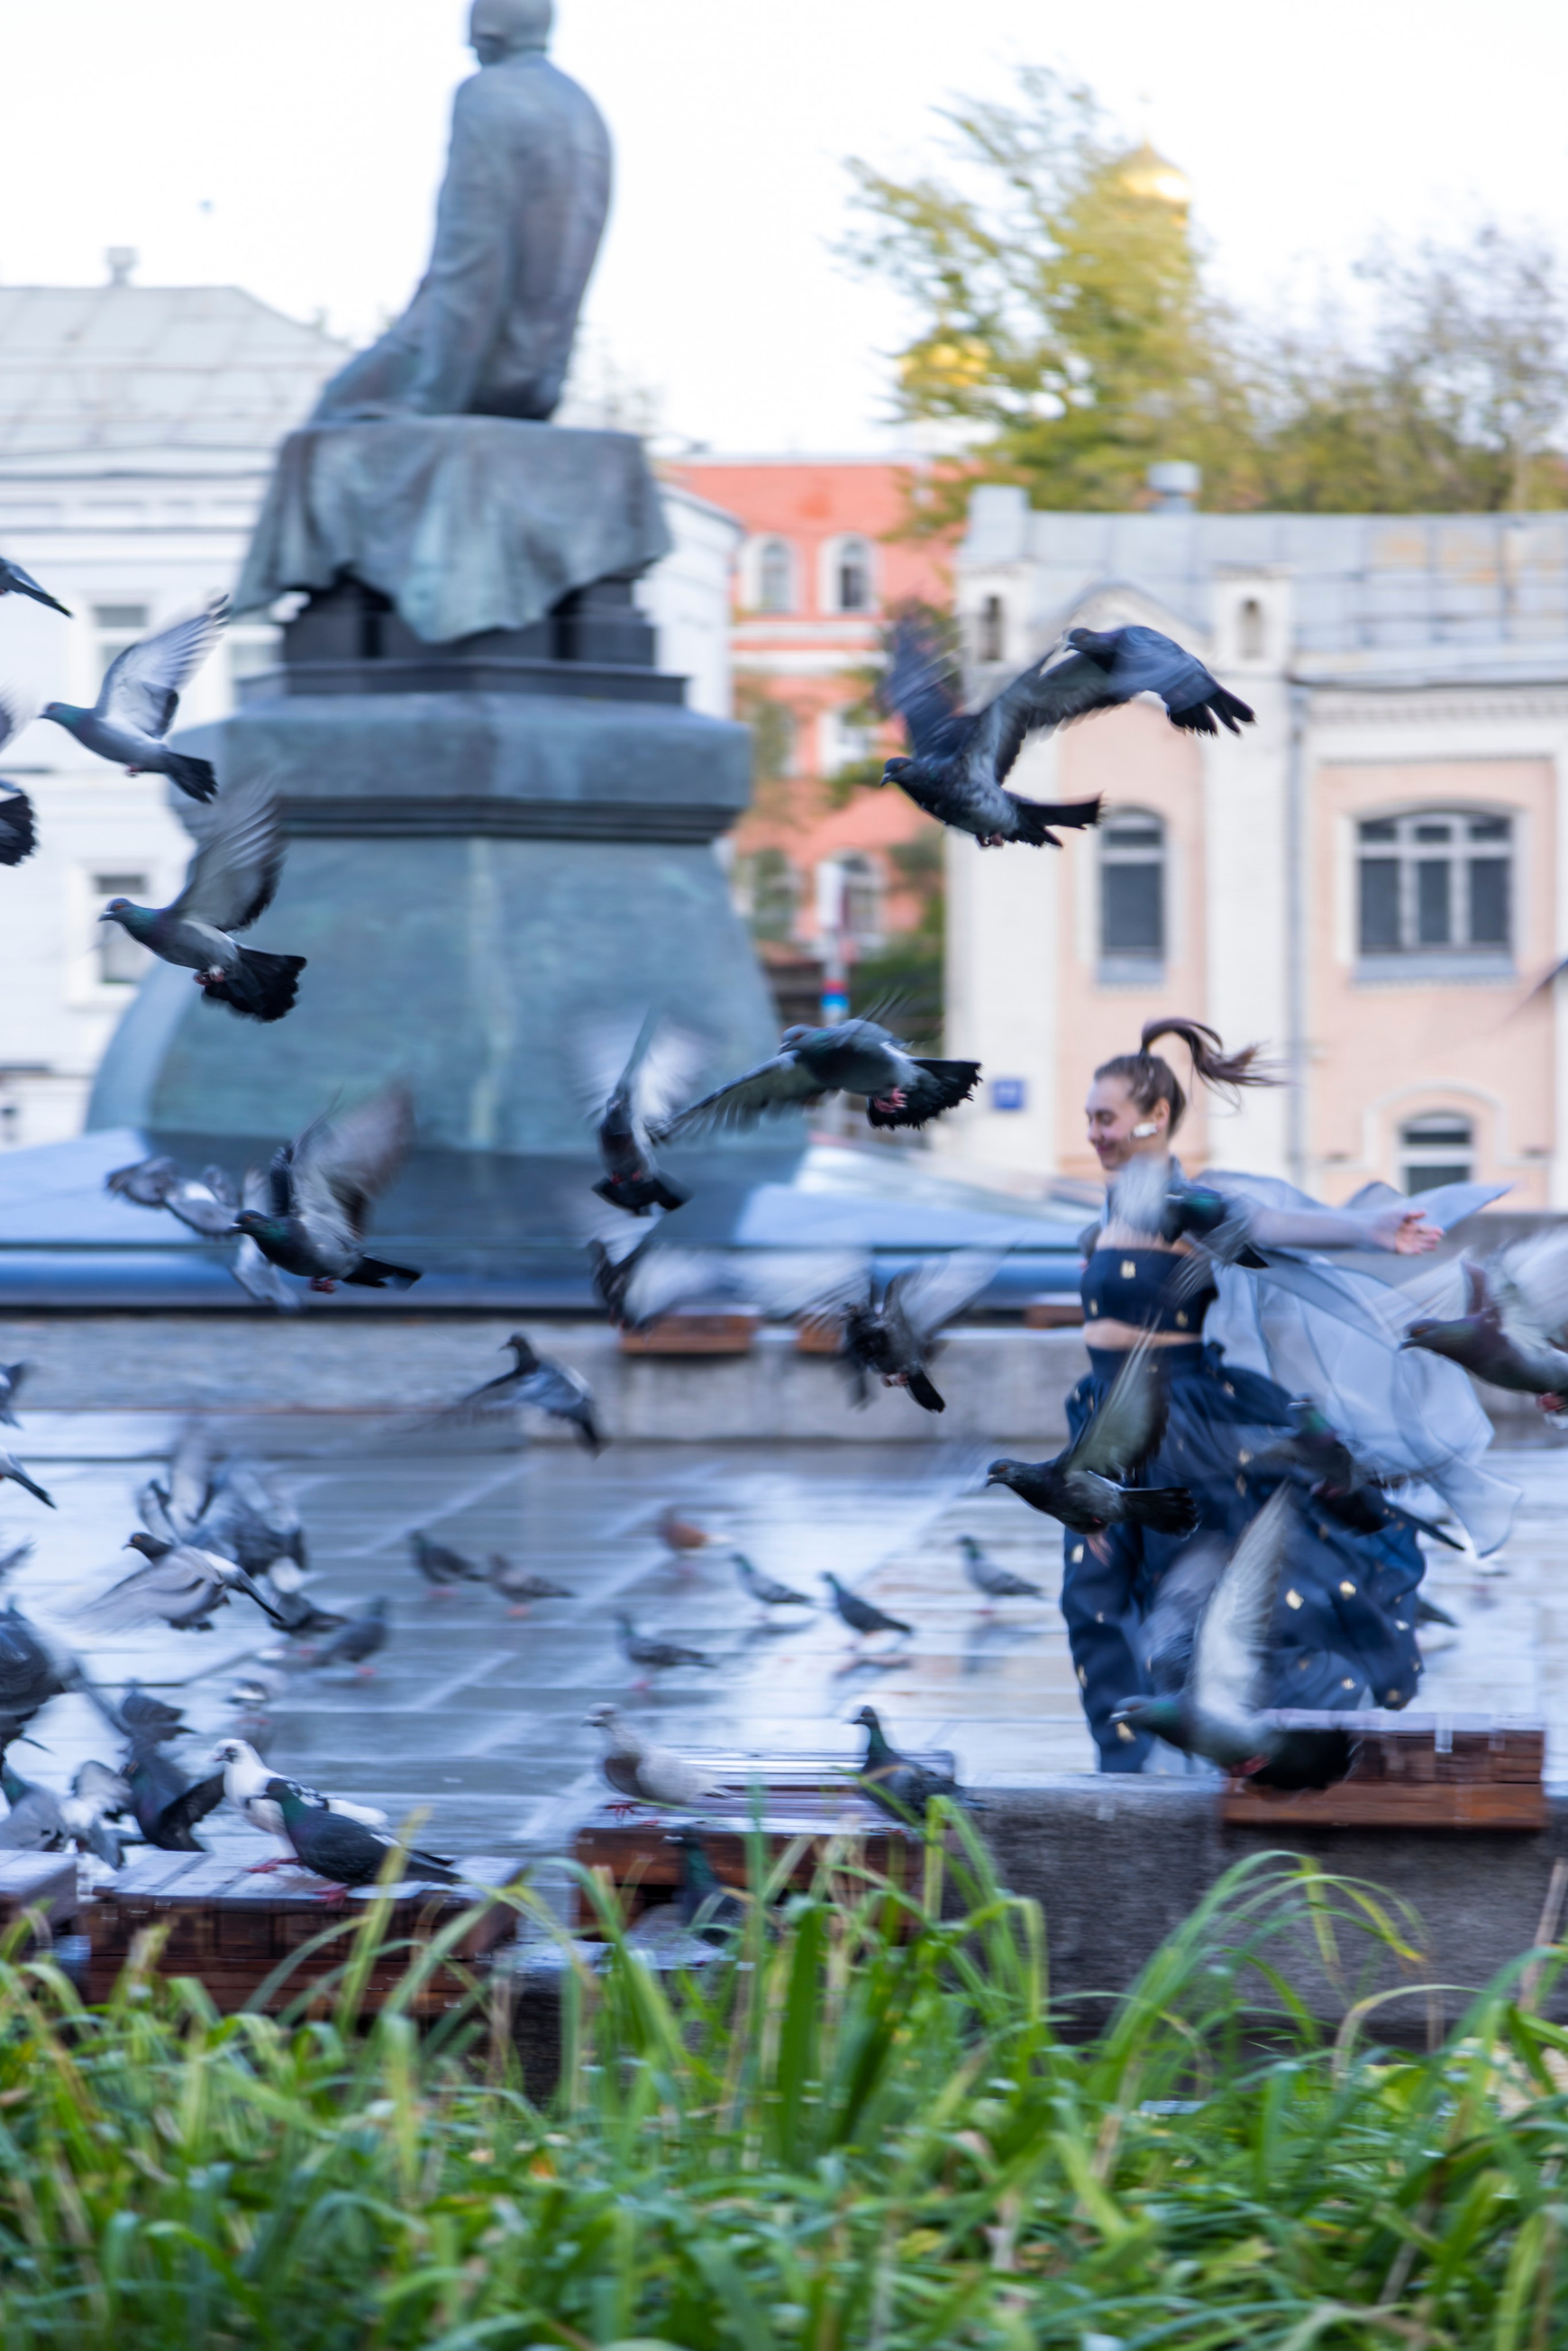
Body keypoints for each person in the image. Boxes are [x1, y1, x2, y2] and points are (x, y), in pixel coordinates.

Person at [1066, 1017, 1493, 1773]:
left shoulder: (1191, 1200)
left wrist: (1364, 1225)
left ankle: (1267, 1755)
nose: (1093, 1132)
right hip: (1102, 1425)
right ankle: (1124, 1775)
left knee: (1199, 1599)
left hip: (1182, 1426)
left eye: (1104, 1117)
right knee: (1091, 1598)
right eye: (1089, 1119)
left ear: (1154, 1117)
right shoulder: (1107, 1210)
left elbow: (1271, 1223)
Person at [310, 0, 611, 426]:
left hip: (476, 368)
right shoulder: (582, 109)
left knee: (331, 420)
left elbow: (471, 259)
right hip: (539, 375)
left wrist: (435, 398)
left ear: (489, 31)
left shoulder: (486, 96)